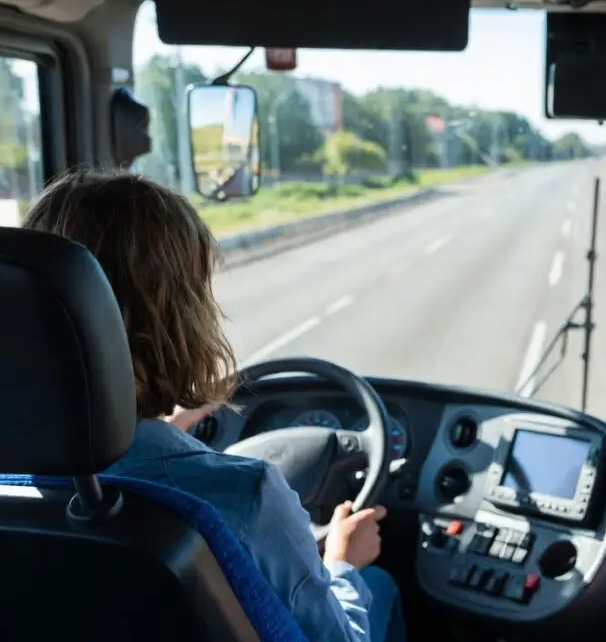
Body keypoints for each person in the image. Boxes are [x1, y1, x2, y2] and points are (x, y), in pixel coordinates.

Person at [22, 168, 406, 642]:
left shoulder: (15, 486)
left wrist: (166, 432)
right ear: (181, 318)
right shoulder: (243, 497)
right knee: (379, 585)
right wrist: (343, 561)